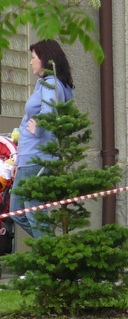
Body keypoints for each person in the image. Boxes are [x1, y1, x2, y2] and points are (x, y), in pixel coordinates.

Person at [10, 40, 75, 238]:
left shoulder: (51, 83)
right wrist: (18, 160)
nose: (30, 62)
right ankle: (49, 248)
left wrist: (37, 127)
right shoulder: (44, 84)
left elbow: (50, 110)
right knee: (17, 211)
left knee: (34, 212)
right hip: (28, 158)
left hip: (38, 158)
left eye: (33, 58)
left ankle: (50, 251)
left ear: (45, 59)